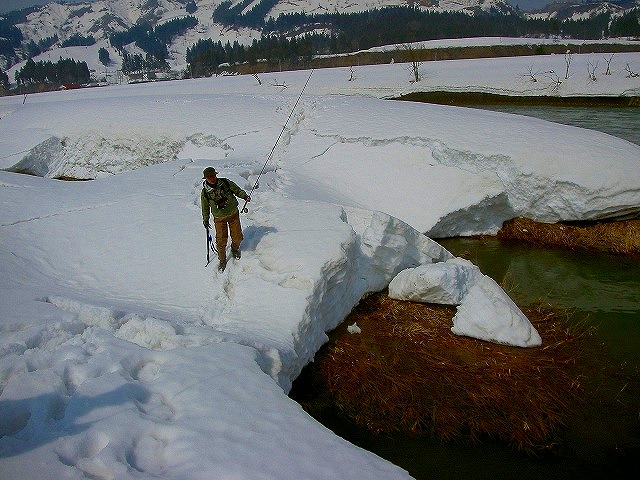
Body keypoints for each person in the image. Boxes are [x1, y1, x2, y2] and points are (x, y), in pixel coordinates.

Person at [201, 167, 250, 272]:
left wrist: (244, 196)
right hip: (219, 218)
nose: (212, 178)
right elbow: (205, 207)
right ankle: (222, 260)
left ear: (216, 175)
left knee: (237, 237)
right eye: (209, 177)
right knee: (221, 240)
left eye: (213, 176)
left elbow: (236, 190)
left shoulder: (225, 182)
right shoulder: (205, 192)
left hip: (233, 214)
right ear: (206, 178)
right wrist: (206, 219)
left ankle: (234, 249)